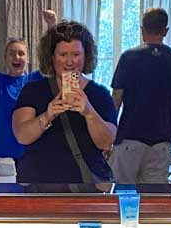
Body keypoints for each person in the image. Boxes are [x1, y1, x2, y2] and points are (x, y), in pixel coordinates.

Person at [12, 20, 118, 189]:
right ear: (52, 57)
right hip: (40, 185)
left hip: (85, 187)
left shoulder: (100, 94)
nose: (69, 62)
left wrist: (89, 112)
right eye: (63, 55)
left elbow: (106, 142)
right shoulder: (33, 90)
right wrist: (47, 116)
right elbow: (21, 135)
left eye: (76, 55)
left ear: (86, 56)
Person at [109, 7, 171, 186]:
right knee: (152, 200)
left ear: (142, 29)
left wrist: (109, 134)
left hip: (129, 138)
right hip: (161, 142)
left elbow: (116, 99)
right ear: (166, 31)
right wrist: (170, 137)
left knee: (122, 196)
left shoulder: (128, 57)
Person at [0, 8, 55, 163]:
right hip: (0, 157)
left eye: (21, 54)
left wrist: (51, 25)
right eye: (12, 53)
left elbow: (54, 62)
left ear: (28, 59)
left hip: (32, 157)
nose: (16, 57)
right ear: (5, 58)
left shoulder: (35, 80)